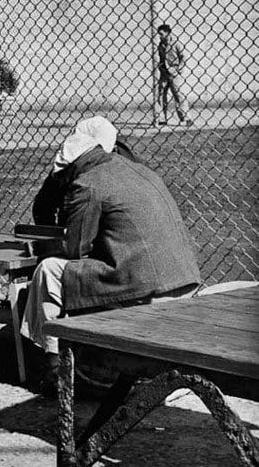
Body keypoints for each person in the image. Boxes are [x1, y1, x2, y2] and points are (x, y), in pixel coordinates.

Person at [20, 116, 202, 392]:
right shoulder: (139, 169)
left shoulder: (87, 184)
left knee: (49, 270)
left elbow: (76, 250)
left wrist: (42, 248)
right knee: (77, 272)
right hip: (184, 280)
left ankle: (54, 366)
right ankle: (85, 357)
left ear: (71, 169)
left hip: (146, 288)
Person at [155, 23, 193, 126]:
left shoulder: (176, 43)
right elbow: (161, 58)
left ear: (168, 33)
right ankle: (162, 118)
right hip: (164, 73)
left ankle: (186, 118)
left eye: (162, 34)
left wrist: (178, 70)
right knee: (161, 95)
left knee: (179, 95)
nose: (160, 36)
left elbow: (183, 57)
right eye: (159, 34)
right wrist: (161, 66)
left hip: (175, 74)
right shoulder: (161, 44)